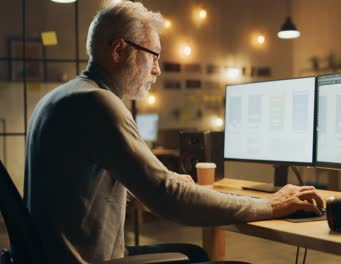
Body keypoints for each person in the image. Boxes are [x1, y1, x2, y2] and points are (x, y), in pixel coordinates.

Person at [24, 1, 324, 263]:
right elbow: (170, 200)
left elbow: (81, 191)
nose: (157, 70)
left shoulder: (60, 98)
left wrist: (157, 183)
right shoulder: (97, 103)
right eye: (153, 56)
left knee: (195, 255)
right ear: (119, 49)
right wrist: (270, 205)